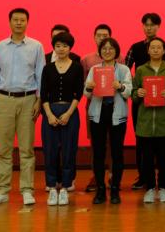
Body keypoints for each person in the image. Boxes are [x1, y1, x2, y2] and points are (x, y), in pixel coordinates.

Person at [0, 8, 45, 206]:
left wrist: (38, 101)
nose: (19, 23)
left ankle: (27, 190)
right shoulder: (0, 47)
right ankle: (2, 190)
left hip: (28, 100)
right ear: (9, 22)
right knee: (4, 149)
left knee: (27, 149)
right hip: (3, 100)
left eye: (22, 20)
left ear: (27, 22)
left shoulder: (36, 46)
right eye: (15, 20)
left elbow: (41, 76)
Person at [124, 13, 165, 190]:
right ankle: (144, 178)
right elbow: (125, 69)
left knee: (164, 150)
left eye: (153, 25)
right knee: (142, 143)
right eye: (146, 25)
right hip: (142, 105)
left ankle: (163, 182)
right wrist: (136, 90)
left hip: (164, 107)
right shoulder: (135, 49)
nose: (149, 28)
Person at [131, 37, 165, 203]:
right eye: (152, 47)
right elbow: (133, 93)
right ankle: (151, 188)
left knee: (164, 158)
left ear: (164, 51)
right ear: (148, 50)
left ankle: (164, 187)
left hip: (164, 122)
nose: (155, 50)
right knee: (147, 158)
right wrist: (138, 93)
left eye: (159, 47)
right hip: (145, 122)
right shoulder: (141, 70)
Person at [84, 37, 132, 205]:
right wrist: (89, 87)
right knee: (98, 153)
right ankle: (100, 189)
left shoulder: (124, 69)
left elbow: (129, 92)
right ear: (100, 52)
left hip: (117, 114)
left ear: (116, 51)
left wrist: (121, 87)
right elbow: (86, 93)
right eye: (104, 48)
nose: (107, 51)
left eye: (111, 48)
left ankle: (115, 189)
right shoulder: (94, 69)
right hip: (98, 114)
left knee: (117, 153)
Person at [40, 31, 83, 206]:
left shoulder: (77, 67)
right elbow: (43, 94)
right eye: (58, 46)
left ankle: (65, 187)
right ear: (54, 48)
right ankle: (52, 187)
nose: (61, 49)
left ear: (70, 48)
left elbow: (78, 93)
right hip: (50, 111)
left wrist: (68, 113)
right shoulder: (47, 68)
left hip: (69, 112)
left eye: (65, 46)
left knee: (68, 150)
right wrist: (49, 115)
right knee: (50, 151)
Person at [81, 23, 118, 192]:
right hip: (94, 107)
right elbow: (83, 85)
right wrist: (89, 86)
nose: (102, 38)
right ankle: (97, 176)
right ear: (94, 38)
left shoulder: (120, 59)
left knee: (112, 143)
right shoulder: (87, 60)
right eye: (99, 35)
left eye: (105, 36)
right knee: (96, 144)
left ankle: (112, 175)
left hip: (114, 107)